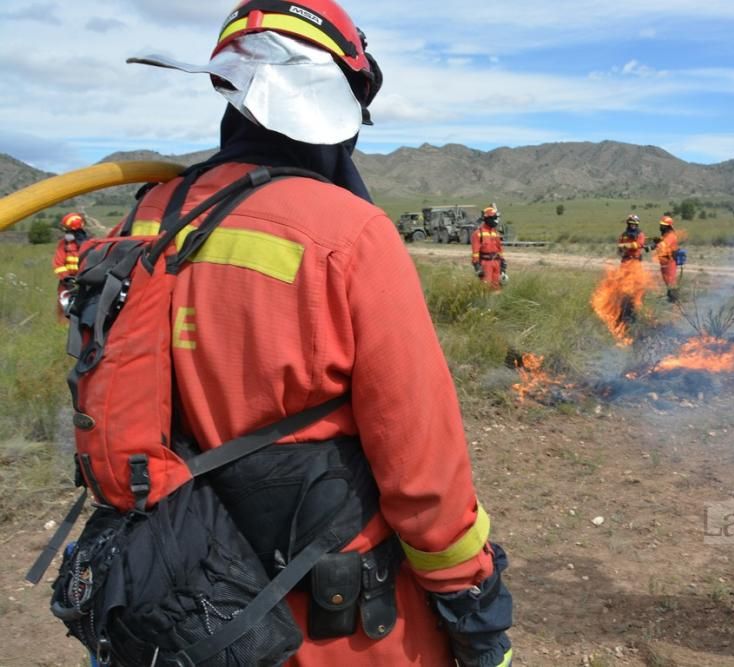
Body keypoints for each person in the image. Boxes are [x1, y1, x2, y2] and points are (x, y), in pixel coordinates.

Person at [126, 2, 513, 665]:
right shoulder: (352, 235)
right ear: (336, 97)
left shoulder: (149, 216)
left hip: (177, 603)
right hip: (331, 626)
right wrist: (472, 604)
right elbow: (423, 469)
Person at [52, 212, 88, 318]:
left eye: (67, 230)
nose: (66, 233)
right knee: (65, 311)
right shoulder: (64, 244)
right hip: (67, 284)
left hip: (85, 282)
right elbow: (58, 263)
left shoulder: (89, 243)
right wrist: (66, 278)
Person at [472, 205, 507, 289]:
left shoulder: (495, 233)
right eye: (494, 218)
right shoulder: (478, 233)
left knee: (497, 287)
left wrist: (503, 262)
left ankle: (496, 302)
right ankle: (485, 302)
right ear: (487, 218)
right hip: (485, 264)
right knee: (485, 287)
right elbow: (475, 252)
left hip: (496, 263)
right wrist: (477, 267)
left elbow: (499, 249)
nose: (496, 221)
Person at [654, 214, 681, 302]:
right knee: (666, 280)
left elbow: (663, 245)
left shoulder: (671, 235)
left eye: (663, 226)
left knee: (671, 281)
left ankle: (674, 300)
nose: (661, 227)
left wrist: (654, 245)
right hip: (664, 262)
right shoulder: (665, 235)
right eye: (661, 225)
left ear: (668, 226)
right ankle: (671, 297)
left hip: (670, 262)